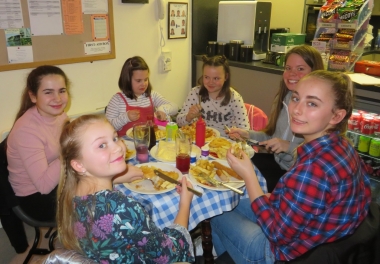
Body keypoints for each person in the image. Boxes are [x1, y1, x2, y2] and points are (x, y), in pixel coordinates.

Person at [211, 70, 372, 263]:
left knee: (216, 211)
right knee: (231, 200)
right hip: (320, 238)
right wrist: (275, 197)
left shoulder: (312, 171)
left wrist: (249, 176)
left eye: (312, 103)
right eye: (296, 98)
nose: (296, 109)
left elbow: (277, 234)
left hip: (282, 253)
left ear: (336, 116)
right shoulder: (343, 145)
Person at [56, 114, 195, 263]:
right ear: (79, 165)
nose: (118, 147)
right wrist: (184, 205)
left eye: (115, 138)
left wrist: (115, 177)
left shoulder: (72, 191)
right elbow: (169, 254)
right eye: (102, 145)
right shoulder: (122, 208)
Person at [227, 45, 324, 192]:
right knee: (232, 167)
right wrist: (247, 134)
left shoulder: (319, 110)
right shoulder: (284, 98)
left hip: (296, 174)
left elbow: (318, 158)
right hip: (277, 163)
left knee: (243, 184)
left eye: (300, 69)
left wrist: (288, 146)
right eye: (288, 68)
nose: (292, 74)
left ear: (315, 72)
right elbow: (272, 136)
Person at [7, 65, 70, 222]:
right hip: (35, 198)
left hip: (56, 181)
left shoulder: (59, 115)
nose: (58, 98)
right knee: (99, 200)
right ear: (33, 96)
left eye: (62, 90)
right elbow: (43, 186)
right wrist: (70, 150)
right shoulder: (27, 130)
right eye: (48, 92)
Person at [176, 55, 249, 137]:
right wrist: (189, 116)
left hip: (224, 142)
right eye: (206, 77)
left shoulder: (235, 98)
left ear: (226, 77)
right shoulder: (195, 93)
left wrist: (238, 134)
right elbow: (179, 122)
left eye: (216, 78)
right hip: (198, 139)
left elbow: (245, 131)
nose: (211, 82)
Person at [106, 56, 178, 137]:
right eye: (138, 80)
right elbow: (107, 128)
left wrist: (163, 110)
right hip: (127, 146)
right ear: (127, 80)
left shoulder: (152, 95)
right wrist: (126, 117)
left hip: (148, 142)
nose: (143, 84)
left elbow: (175, 107)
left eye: (146, 79)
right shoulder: (117, 100)